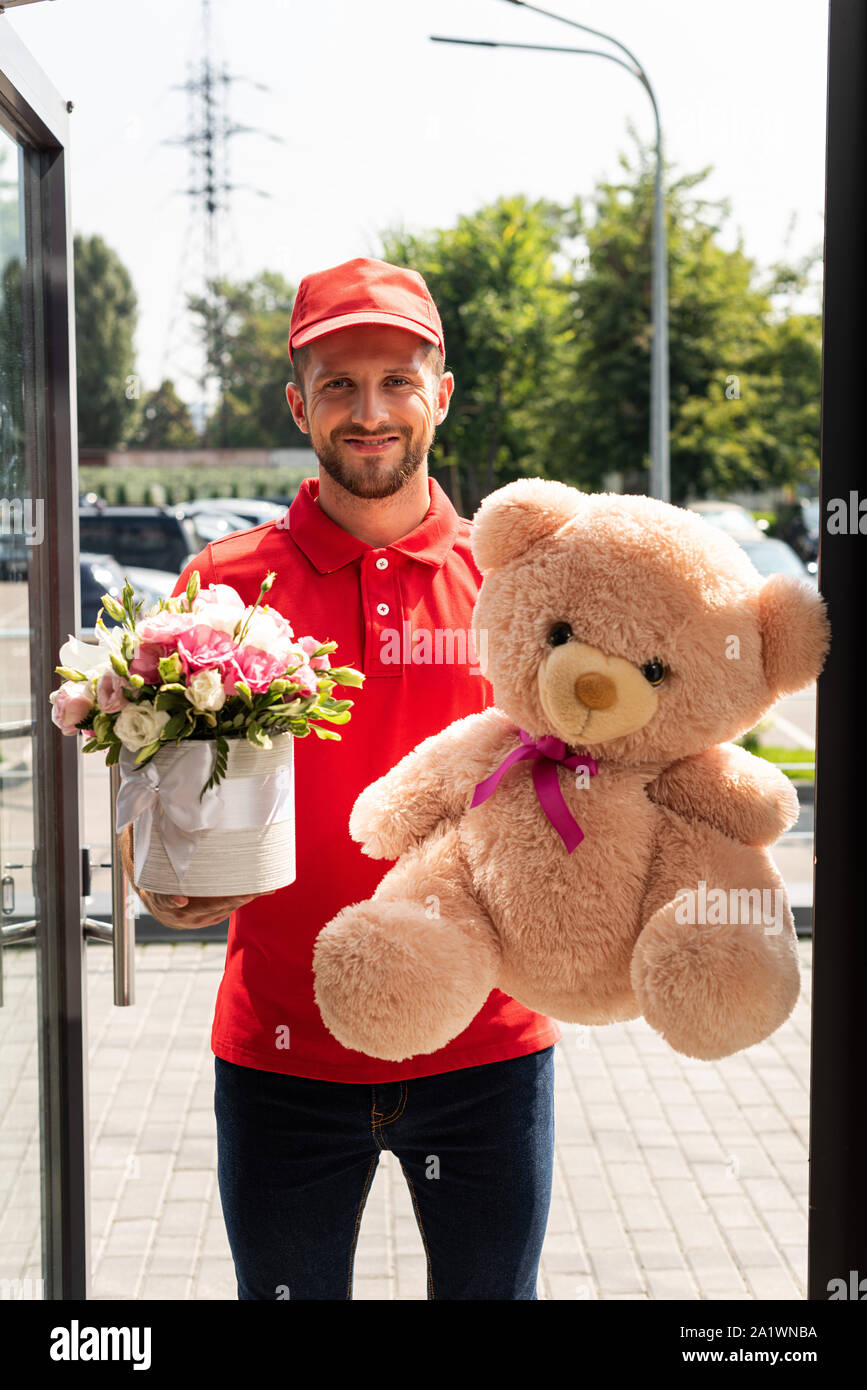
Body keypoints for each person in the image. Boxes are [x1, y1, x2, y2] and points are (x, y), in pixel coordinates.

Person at [118, 256, 560, 1301]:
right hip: (283, 1058)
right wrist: (153, 879)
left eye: (398, 380)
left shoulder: (517, 583)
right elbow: (160, 794)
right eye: (339, 385)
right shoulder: (221, 584)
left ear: (441, 395)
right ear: (297, 402)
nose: (370, 412)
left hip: (485, 1053)